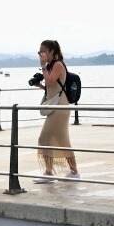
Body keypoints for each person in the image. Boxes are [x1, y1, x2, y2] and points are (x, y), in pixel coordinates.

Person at [33, 40, 79, 183]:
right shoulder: (51, 66)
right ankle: (52, 172)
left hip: (61, 107)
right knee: (54, 139)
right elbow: (51, 88)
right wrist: (39, 85)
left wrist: (43, 66)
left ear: (52, 51)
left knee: (55, 138)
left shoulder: (58, 65)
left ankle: (71, 172)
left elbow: (51, 81)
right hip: (57, 105)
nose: (41, 54)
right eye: (39, 52)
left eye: (43, 51)